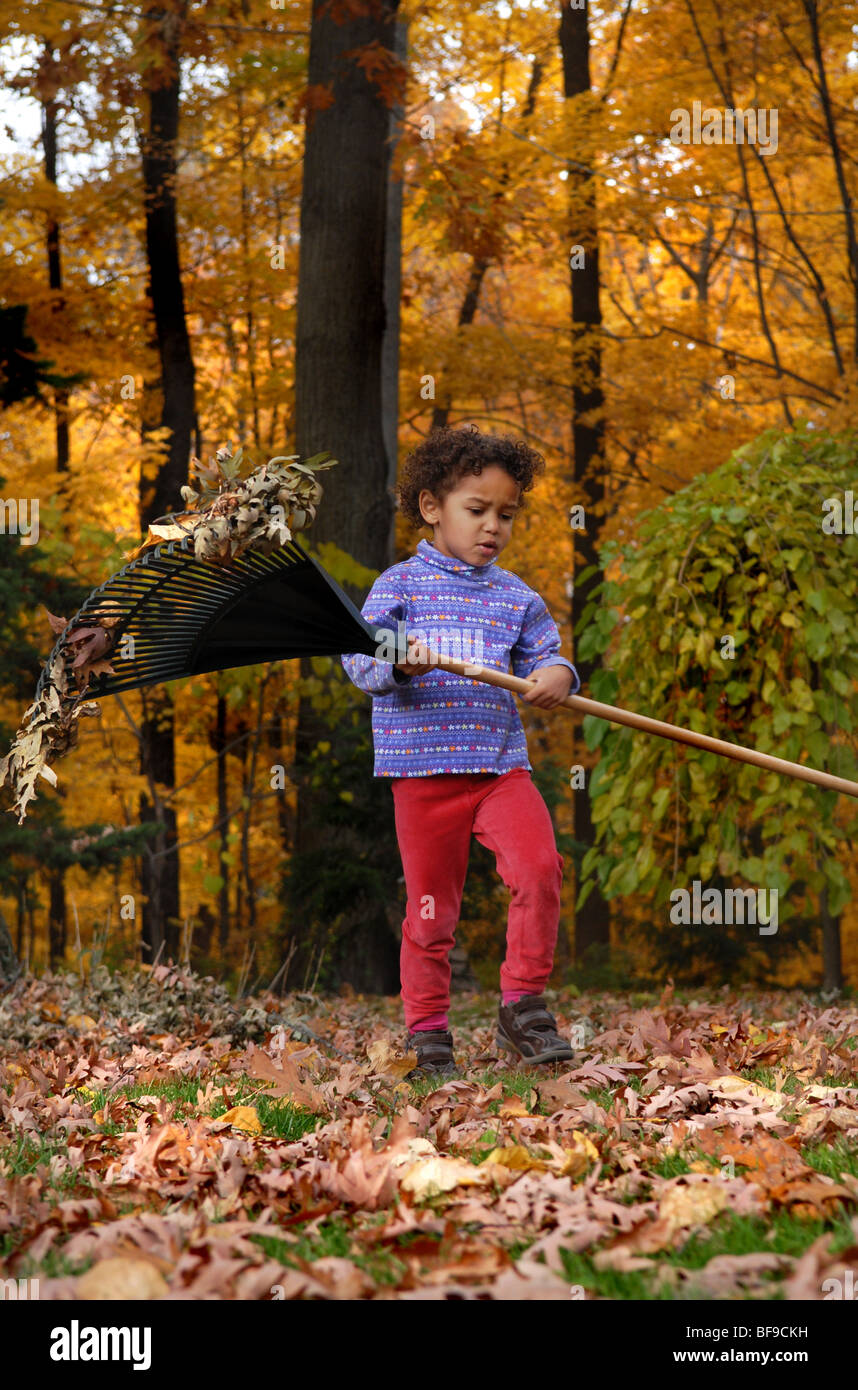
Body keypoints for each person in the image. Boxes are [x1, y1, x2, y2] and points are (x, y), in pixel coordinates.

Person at [341, 424, 581, 1081]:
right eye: (476, 511)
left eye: (506, 515)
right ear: (430, 508)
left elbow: (549, 660)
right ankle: (427, 1035)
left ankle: (523, 1008)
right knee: (430, 910)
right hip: (421, 777)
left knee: (539, 870)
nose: (492, 528)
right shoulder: (399, 589)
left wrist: (558, 677)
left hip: (501, 769)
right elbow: (360, 664)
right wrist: (400, 663)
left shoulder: (518, 599)